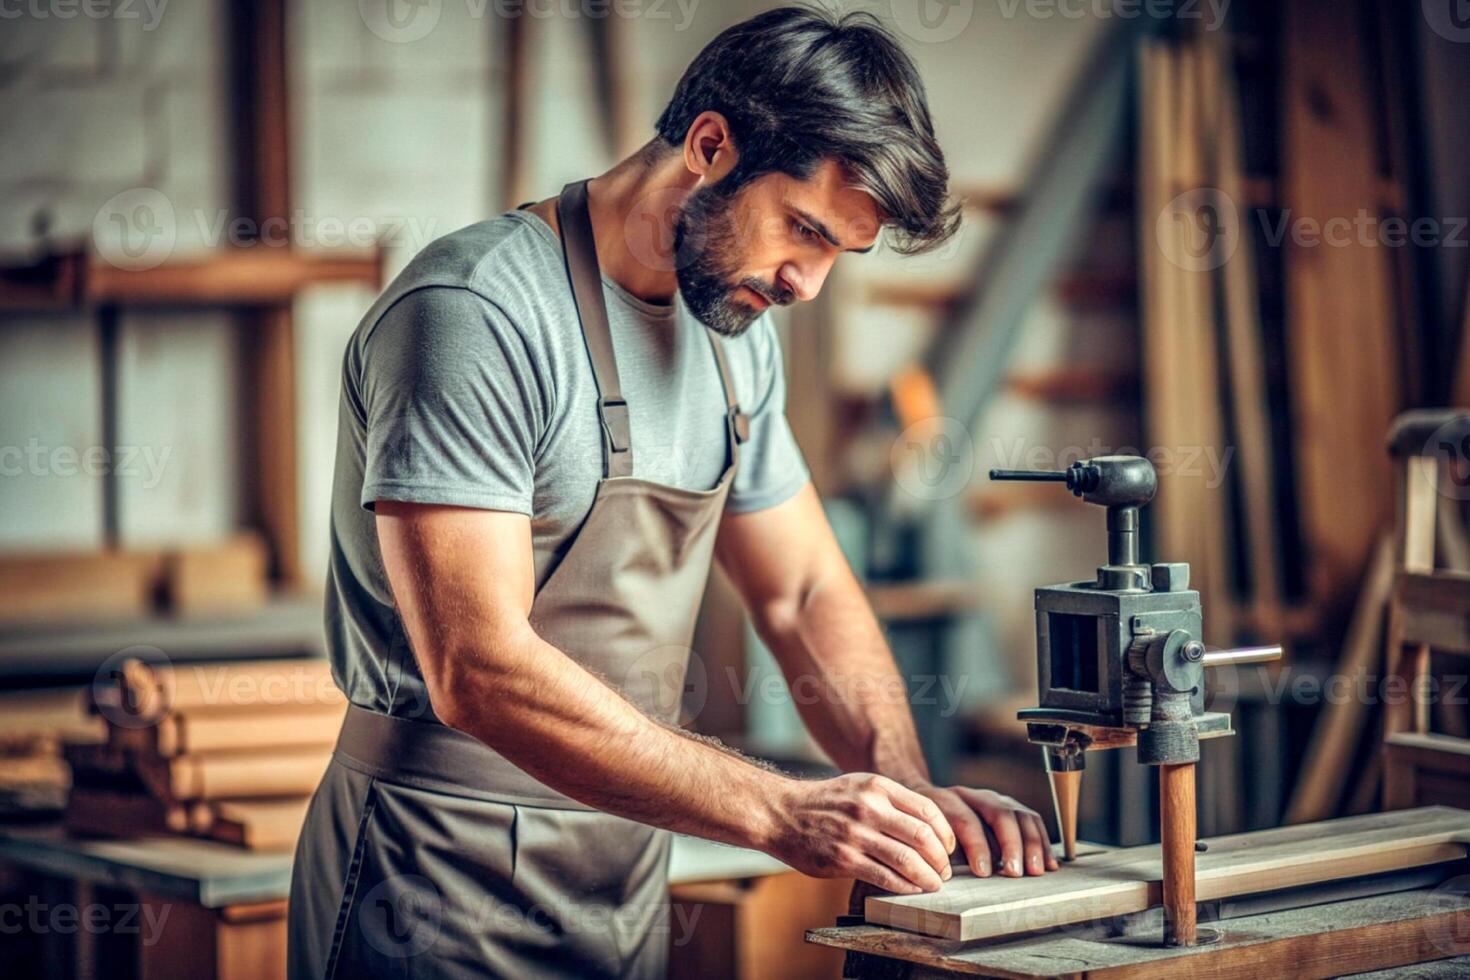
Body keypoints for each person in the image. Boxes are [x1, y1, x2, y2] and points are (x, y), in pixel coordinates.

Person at [288, 7, 1055, 978]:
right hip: (434, 875)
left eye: (834, 257)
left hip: (620, 878)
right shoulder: (475, 315)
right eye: (803, 231)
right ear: (708, 144)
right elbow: (477, 667)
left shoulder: (737, 346)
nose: (806, 284)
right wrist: (783, 810)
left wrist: (901, 796)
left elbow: (804, 592)